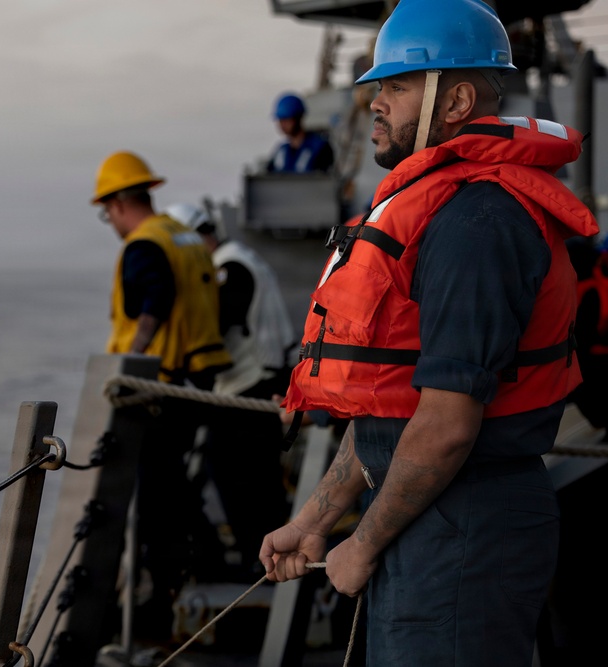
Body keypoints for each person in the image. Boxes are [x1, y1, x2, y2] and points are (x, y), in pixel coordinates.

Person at [258, 1, 599, 666]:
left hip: (465, 530)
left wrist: (363, 543)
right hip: (426, 518)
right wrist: (316, 519)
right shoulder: (447, 210)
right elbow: (394, 405)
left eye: (396, 86)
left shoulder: (478, 226)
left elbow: (444, 425)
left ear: (457, 100)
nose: (375, 103)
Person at [91, 151, 233, 637]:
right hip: (198, 379)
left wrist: (133, 360)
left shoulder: (145, 245)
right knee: (172, 485)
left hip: (161, 386)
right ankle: (205, 563)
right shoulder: (184, 236)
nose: (111, 221)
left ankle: (160, 602)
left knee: (154, 498)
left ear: (117, 204)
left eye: (107, 212)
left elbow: (156, 299)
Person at [165, 201, 296, 579]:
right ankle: (263, 559)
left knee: (243, 476)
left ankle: (262, 564)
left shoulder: (229, 268)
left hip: (252, 386)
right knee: (249, 475)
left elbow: (216, 325)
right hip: (253, 384)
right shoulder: (237, 258)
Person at [567, 236, 608, 439]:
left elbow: (584, 334)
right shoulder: (591, 285)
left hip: (593, 359)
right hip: (592, 356)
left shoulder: (589, 290)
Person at [266, 92, 334, 174]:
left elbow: (327, 177)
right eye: (281, 120)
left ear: (298, 118)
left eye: (287, 119)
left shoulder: (320, 148)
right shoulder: (282, 151)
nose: (282, 124)